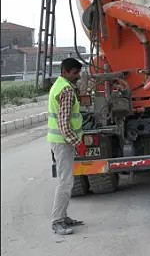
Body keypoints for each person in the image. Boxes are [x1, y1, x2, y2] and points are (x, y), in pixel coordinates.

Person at [47, 58, 85, 235]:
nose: (77, 76)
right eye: (75, 73)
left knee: (66, 180)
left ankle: (63, 216)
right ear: (66, 71)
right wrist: (79, 143)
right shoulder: (67, 90)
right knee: (65, 182)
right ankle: (57, 221)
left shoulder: (58, 85)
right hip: (63, 143)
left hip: (59, 142)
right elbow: (64, 125)